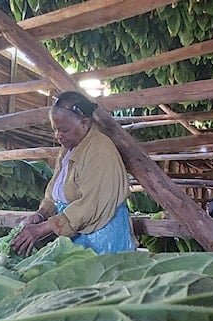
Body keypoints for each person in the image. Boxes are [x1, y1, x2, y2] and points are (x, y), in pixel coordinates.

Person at [10, 91, 135, 255]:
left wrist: (42, 229)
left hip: (103, 236)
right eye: (55, 129)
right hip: (79, 233)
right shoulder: (68, 149)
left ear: (84, 123)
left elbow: (89, 206)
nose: (58, 136)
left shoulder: (100, 152)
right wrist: (42, 214)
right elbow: (55, 190)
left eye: (64, 130)